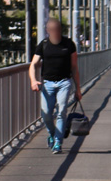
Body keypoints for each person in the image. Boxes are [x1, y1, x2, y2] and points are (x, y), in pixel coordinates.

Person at [28, 18, 82, 155]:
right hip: (47, 83)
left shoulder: (69, 44)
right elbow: (33, 64)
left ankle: (58, 142)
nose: (55, 32)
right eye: (52, 30)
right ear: (48, 31)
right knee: (46, 114)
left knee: (61, 110)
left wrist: (78, 89)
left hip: (64, 82)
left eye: (57, 29)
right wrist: (33, 80)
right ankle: (52, 134)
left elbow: (74, 67)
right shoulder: (44, 44)